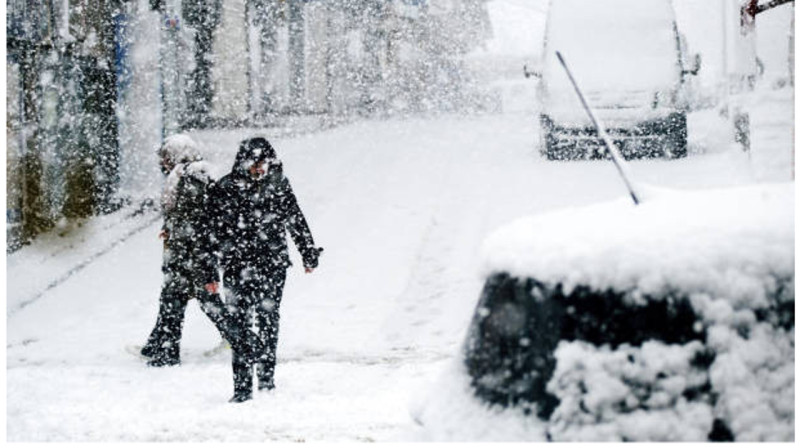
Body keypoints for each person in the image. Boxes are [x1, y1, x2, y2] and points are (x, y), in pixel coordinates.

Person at [207, 137, 322, 402]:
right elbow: (209, 234)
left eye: (264, 164)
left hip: (272, 264)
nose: (259, 169)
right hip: (236, 266)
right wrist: (210, 272)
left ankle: (267, 378)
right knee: (238, 322)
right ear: (243, 162)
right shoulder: (225, 188)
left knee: (268, 317)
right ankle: (242, 386)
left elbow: (295, 218)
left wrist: (308, 253)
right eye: (254, 164)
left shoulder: (278, 185)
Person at [139, 134, 235, 367]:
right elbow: (184, 217)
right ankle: (159, 347)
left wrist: (204, 262)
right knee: (178, 300)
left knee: (183, 301)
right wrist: (169, 228)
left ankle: (167, 352)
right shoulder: (186, 176)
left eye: (165, 157)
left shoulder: (190, 179)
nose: (162, 163)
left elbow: (197, 221)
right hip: (187, 254)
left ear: (176, 155)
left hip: (191, 256)